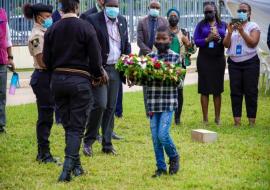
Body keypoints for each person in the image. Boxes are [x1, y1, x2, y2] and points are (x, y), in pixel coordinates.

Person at [43, 0, 106, 182]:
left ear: (60, 8)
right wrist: (96, 75)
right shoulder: (86, 27)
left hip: (58, 81)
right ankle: (67, 169)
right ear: (77, 7)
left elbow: (47, 60)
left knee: (69, 125)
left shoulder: (52, 30)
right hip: (80, 81)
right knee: (77, 126)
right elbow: (96, 59)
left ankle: (77, 166)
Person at [83, 0, 131, 155]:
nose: (114, 9)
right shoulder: (92, 20)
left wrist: (128, 64)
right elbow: (88, 46)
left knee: (111, 106)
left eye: (116, 6)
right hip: (100, 69)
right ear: (104, 6)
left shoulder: (122, 21)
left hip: (116, 69)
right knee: (100, 104)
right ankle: (88, 140)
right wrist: (96, 68)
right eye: (111, 6)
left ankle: (107, 144)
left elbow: (126, 44)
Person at [23, 3, 57, 163]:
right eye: (47, 16)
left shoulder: (46, 32)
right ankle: (43, 153)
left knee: (48, 115)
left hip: (47, 77)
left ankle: (43, 152)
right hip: (43, 77)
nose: (50, 19)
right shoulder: (37, 35)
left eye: (50, 16)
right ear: (38, 17)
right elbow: (42, 61)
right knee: (45, 116)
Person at [146, 25, 180, 177]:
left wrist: (171, 75)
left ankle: (173, 156)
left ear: (170, 39)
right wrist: (134, 77)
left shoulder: (175, 58)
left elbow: (180, 83)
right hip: (153, 102)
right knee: (155, 138)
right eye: (158, 39)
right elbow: (144, 80)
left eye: (164, 39)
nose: (160, 41)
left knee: (162, 135)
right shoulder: (149, 58)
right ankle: (160, 167)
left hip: (168, 102)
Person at [223, 2, 261, 126]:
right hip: (234, 64)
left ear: (249, 13)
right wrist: (229, 32)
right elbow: (226, 44)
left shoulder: (253, 26)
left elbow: (253, 43)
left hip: (250, 62)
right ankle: (237, 121)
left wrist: (242, 31)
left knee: (250, 91)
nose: (241, 13)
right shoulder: (232, 26)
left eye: (244, 11)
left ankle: (251, 121)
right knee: (235, 92)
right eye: (239, 10)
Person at [194, 2, 227, 125]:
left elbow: (228, 40)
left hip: (218, 59)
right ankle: (205, 118)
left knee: (217, 89)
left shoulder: (223, 25)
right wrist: (207, 39)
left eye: (210, 12)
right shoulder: (200, 25)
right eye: (206, 12)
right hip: (204, 59)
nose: (208, 14)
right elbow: (196, 41)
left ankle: (217, 118)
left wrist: (218, 37)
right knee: (204, 89)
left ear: (215, 11)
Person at [137, 0, 168, 117]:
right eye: (153, 7)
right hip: (145, 57)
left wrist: (158, 53)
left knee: (159, 84)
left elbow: (165, 39)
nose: (155, 9)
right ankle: (148, 112)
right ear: (148, 8)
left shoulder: (164, 21)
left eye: (157, 7)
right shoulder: (141, 21)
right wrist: (150, 53)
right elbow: (139, 41)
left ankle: (158, 109)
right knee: (146, 85)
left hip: (160, 57)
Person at [167, 8, 196, 125]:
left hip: (180, 67)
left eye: (175, 16)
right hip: (165, 66)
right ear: (167, 18)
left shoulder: (184, 32)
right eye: (171, 16)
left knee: (179, 91)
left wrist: (188, 43)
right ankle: (167, 116)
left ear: (178, 18)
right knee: (167, 91)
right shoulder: (163, 32)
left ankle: (177, 118)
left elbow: (193, 50)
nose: (173, 18)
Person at [0, 8, 15, 134]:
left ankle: (0, 125)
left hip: (1, 61)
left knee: (1, 95)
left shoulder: (3, 13)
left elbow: (7, 39)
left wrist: (10, 58)